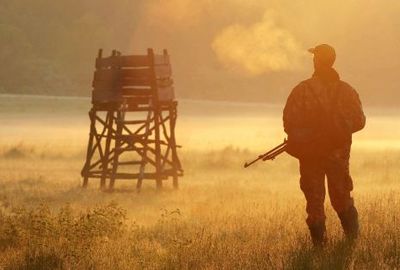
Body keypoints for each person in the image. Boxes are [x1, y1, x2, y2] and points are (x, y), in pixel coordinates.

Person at [283, 44, 366, 247]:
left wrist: (309, 136)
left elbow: (288, 123)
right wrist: (338, 131)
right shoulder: (347, 91)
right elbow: (360, 121)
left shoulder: (302, 90)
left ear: (316, 61)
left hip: (311, 156)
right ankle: (352, 245)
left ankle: (320, 249)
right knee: (342, 198)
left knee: (315, 203)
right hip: (338, 155)